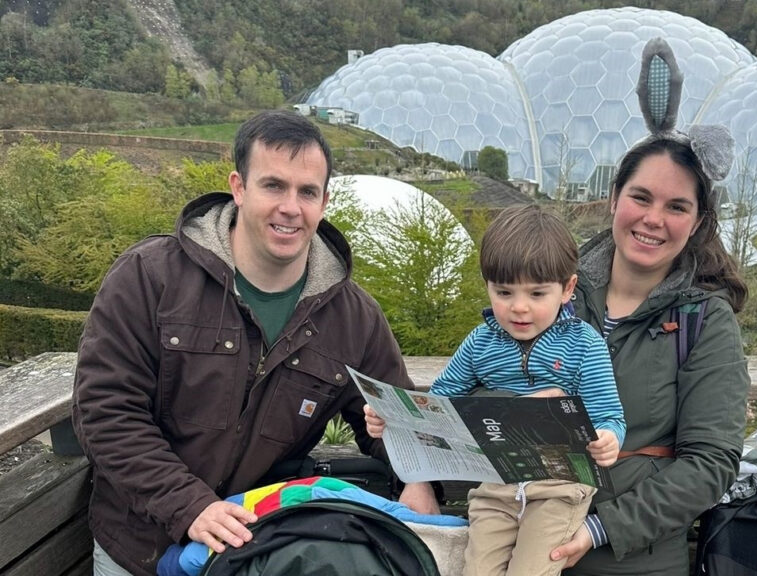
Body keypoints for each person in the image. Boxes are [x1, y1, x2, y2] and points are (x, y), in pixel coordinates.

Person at [72, 110, 435, 576]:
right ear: (239, 187)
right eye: (273, 186)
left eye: (307, 192)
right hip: (142, 543)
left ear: (325, 201)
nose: (290, 207)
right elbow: (105, 410)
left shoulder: (353, 317)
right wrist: (190, 506)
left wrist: (419, 477)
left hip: (259, 545)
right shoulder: (150, 277)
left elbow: (390, 417)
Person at [548, 38, 751, 575]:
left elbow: (710, 465)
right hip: (523, 539)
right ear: (614, 197)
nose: (652, 219)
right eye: (641, 197)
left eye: (676, 206)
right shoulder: (552, 290)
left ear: (698, 220)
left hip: (631, 560)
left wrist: (600, 530)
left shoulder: (703, 320)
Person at [365, 204, 626, 576]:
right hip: (496, 483)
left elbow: (609, 415)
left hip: (559, 487)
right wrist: (390, 417)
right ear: (487, 286)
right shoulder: (482, 342)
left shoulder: (584, 345)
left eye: (537, 294)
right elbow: (436, 401)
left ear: (567, 289)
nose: (519, 308)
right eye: (504, 292)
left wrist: (607, 437)